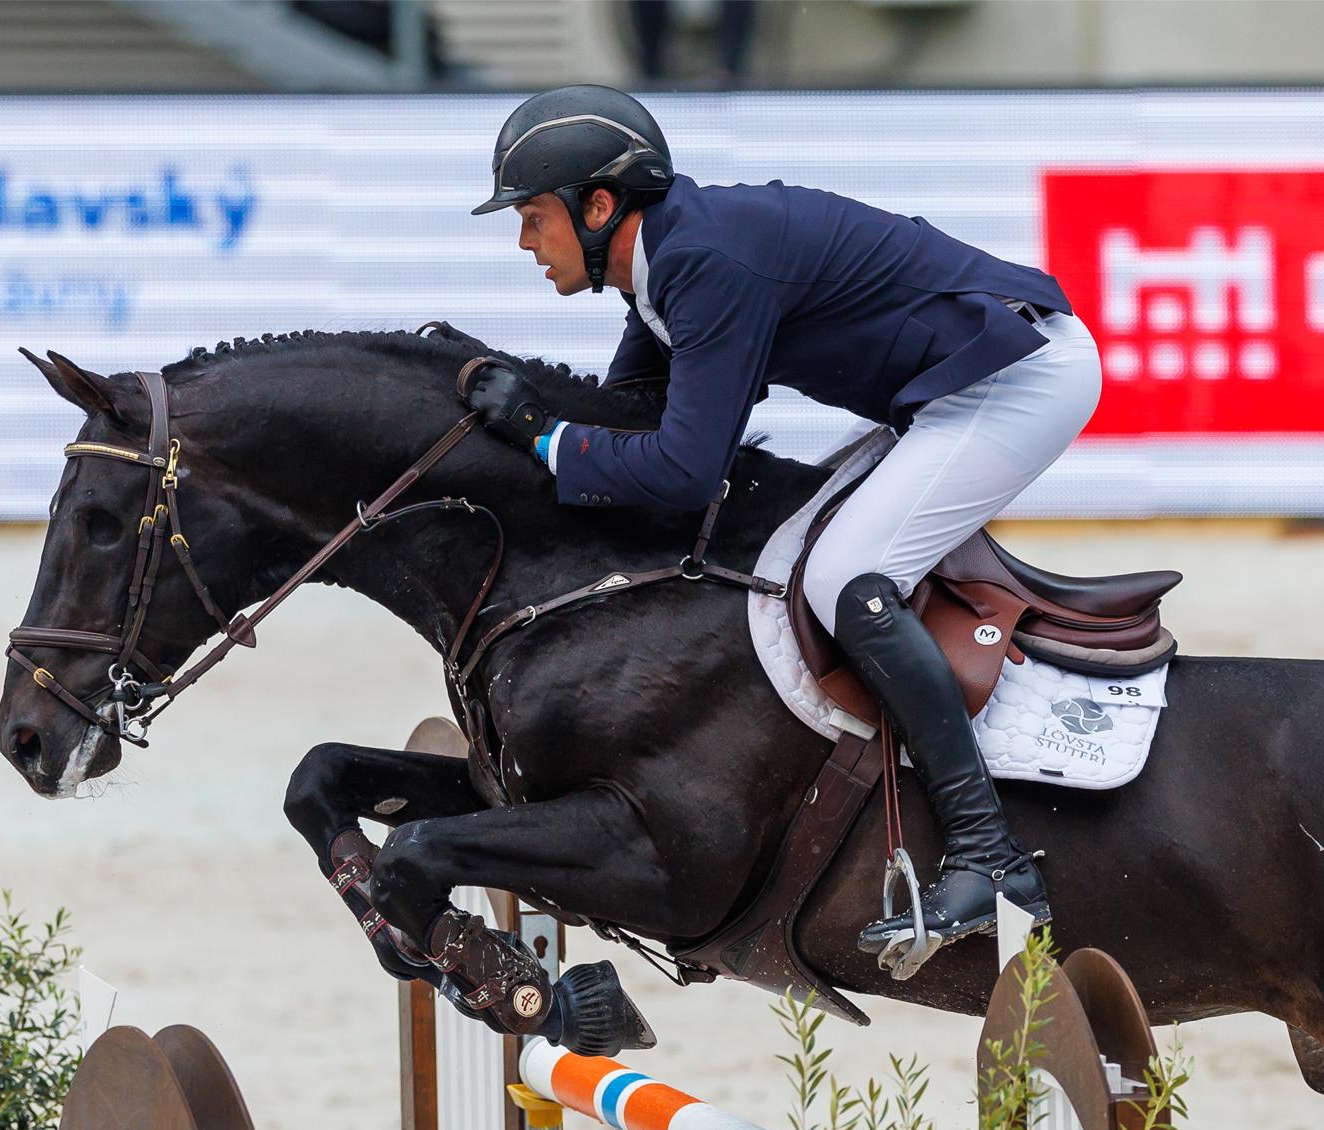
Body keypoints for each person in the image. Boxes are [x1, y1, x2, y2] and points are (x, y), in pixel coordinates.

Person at [464, 84, 1099, 965]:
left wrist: (541, 432)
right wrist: (530, 443)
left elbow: (686, 473)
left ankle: (991, 860)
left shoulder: (703, 265)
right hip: (948, 390)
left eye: (533, 217)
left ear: (599, 206)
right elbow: (631, 417)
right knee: (812, 550)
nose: (525, 242)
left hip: (1014, 382)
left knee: (846, 577)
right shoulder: (664, 262)